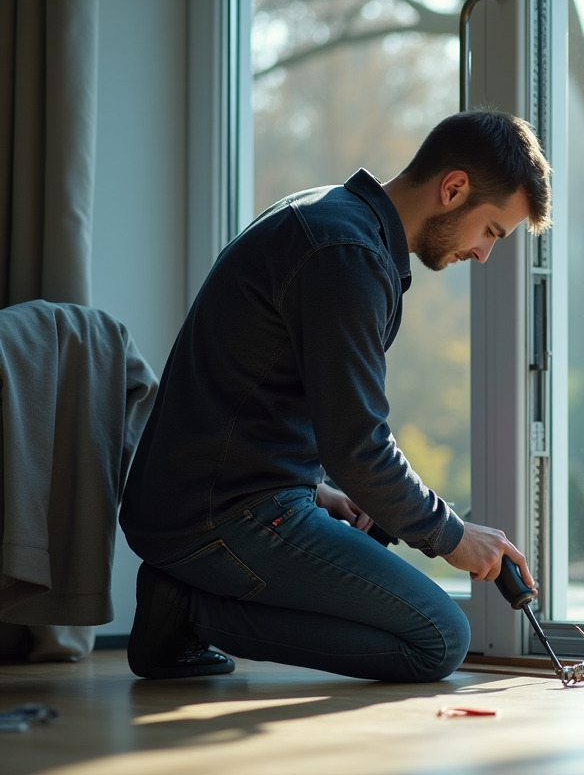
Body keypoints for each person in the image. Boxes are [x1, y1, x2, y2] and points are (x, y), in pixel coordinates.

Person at [119, 110, 552, 682]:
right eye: (492, 231)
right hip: (217, 516)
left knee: (411, 608)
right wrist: (452, 536)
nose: (483, 253)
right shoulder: (346, 254)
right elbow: (359, 447)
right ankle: (185, 611)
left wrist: (320, 492)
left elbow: (256, 402)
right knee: (439, 638)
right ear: (454, 189)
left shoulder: (332, 219)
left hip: (205, 500)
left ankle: (184, 602)